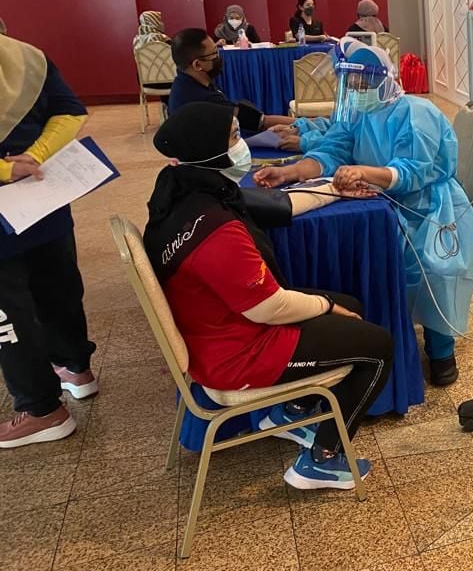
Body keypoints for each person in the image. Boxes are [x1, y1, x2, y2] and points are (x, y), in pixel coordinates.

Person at [144, 102, 393, 489]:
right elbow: (269, 307)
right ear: (208, 148)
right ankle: (323, 459)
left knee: (352, 306)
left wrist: (335, 190)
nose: (242, 143)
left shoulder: (186, 192)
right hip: (237, 353)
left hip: (216, 327)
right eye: (233, 136)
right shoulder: (216, 231)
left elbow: (282, 205)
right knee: (378, 347)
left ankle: (290, 413)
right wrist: (327, 306)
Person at [254, 46, 473, 386]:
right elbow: (332, 150)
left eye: (364, 83)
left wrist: (364, 172)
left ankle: (441, 347)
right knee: (366, 257)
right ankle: (380, 337)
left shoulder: (416, 113)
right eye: (352, 84)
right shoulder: (358, 114)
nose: (357, 91)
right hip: (379, 202)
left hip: (429, 206)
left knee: (430, 267)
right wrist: (291, 172)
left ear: (385, 80)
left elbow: (413, 172)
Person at [0, 34, 96, 449]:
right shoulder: (26, 56)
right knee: (57, 285)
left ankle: (41, 410)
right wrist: (34, 156)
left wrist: (6, 170)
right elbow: (70, 112)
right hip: (43, 195)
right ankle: (75, 367)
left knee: (8, 311)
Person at [167, 28, 294, 133]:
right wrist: (302, 123)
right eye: (214, 54)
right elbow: (259, 121)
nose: (219, 57)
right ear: (197, 65)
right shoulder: (201, 98)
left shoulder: (186, 82)